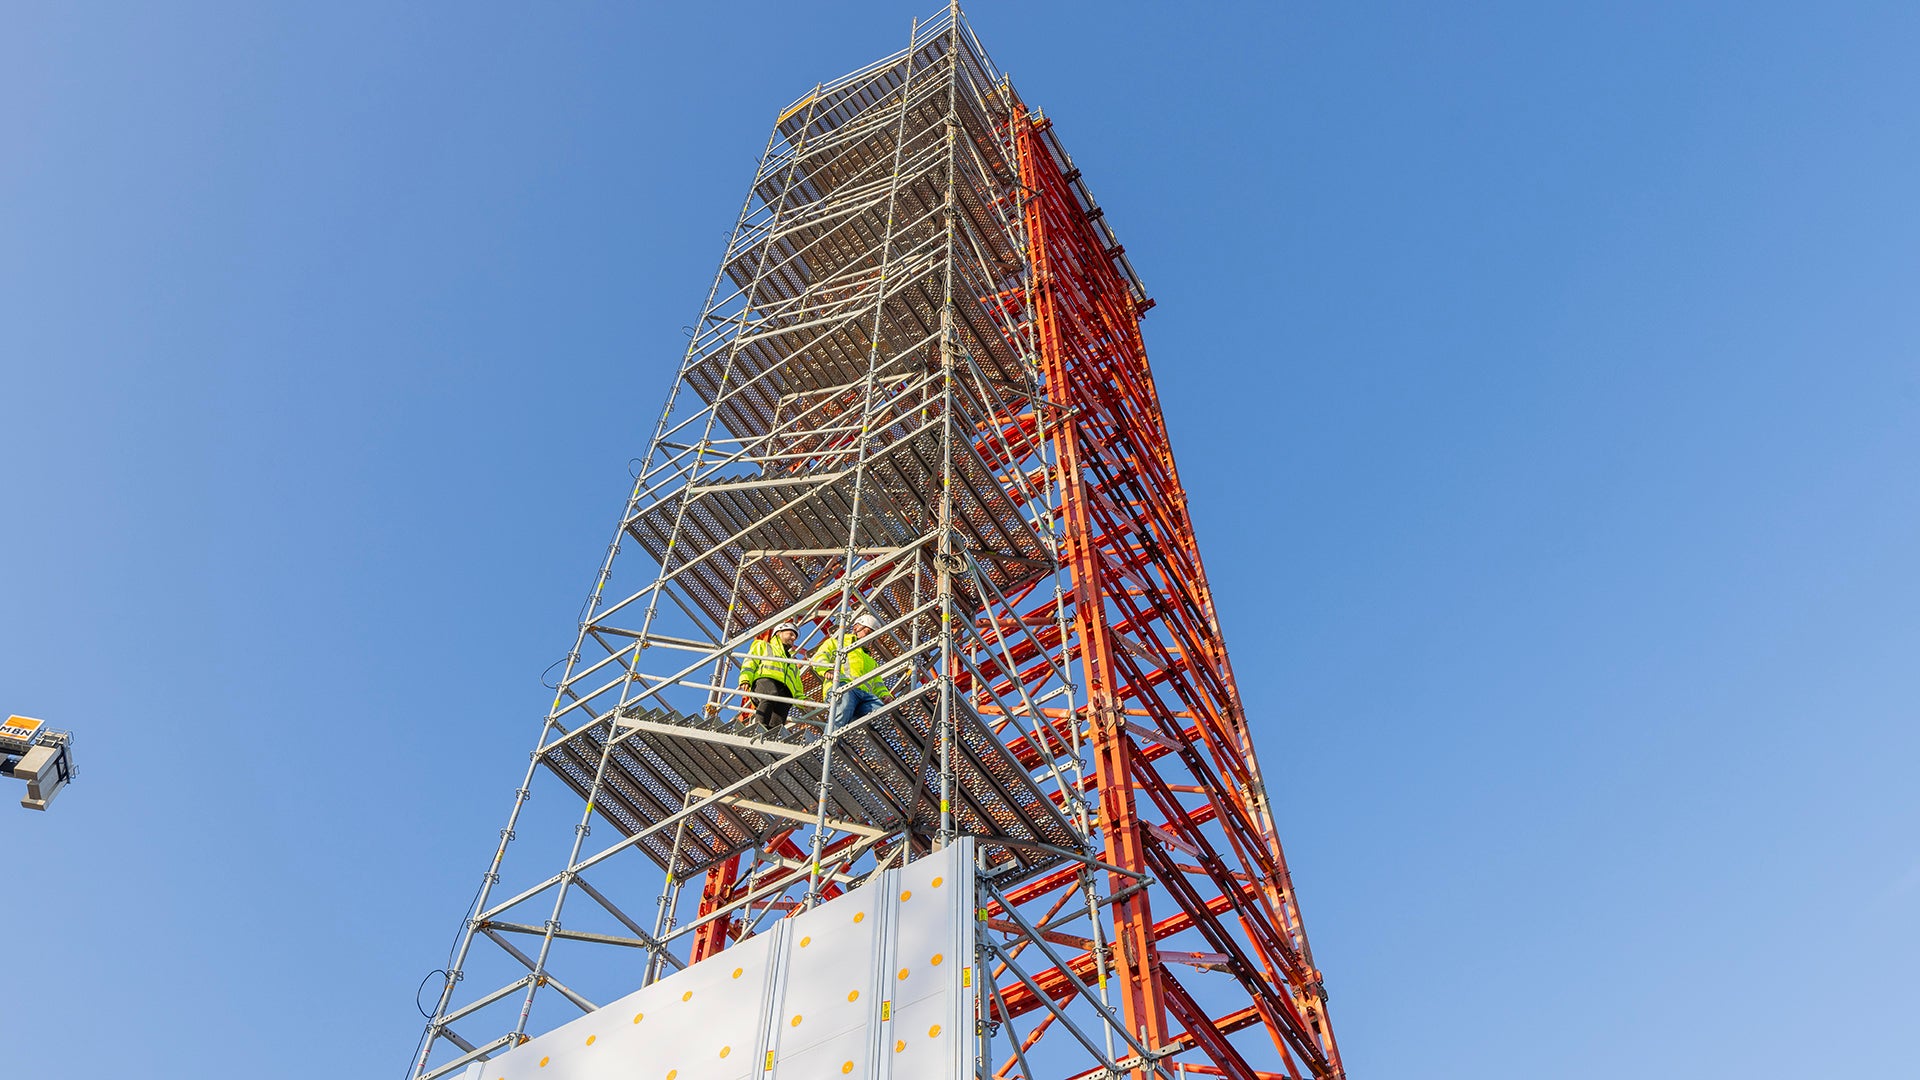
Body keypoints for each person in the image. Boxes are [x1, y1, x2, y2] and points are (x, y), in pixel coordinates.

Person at [816, 612, 891, 729]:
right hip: (843, 687)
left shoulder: (871, 660)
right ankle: (828, 744)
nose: (870, 638)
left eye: (873, 636)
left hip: (864, 696)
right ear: (856, 627)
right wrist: (827, 670)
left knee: (881, 713)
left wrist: (885, 695)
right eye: (868, 632)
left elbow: (878, 683)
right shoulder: (838, 641)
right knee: (842, 711)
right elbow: (820, 656)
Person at [738, 621, 805, 732]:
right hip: (765, 681)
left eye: (795, 637)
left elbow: (797, 685)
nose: (793, 638)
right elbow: (750, 662)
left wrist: (803, 701)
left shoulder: (792, 662)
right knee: (770, 695)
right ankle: (759, 726)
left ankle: (772, 734)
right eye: (790, 634)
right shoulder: (763, 645)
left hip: (785, 689)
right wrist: (745, 679)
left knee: (782, 709)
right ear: (779, 633)